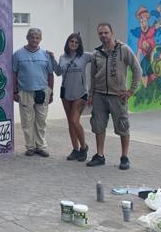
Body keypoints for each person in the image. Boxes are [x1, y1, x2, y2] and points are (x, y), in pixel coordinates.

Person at [86, 23, 142, 170]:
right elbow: (92, 75)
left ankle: (124, 157)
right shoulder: (96, 53)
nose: (103, 35)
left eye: (106, 32)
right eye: (100, 33)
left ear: (112, 33)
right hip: (99, 96)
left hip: (118, 96)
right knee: (98, 126)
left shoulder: (123, 49)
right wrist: (91, 94)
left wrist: (131, 90)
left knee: (123, 126)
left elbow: (137, 69)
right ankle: (99, 155)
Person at [49, 33, 92, 162]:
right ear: (68, 43)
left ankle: (84, 147)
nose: (73, 44)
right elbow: (57, 72)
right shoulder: (63, 57)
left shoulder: (85, 56)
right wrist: (52, 59)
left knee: (74, 120)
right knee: (70, 122)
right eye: (71, 41)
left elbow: (99, 56)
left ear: (79, 45)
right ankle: (75, 149)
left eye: (76, 42)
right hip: (66, 93)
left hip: (80, 93)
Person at [13, 28, 54, 157]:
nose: (34, 40)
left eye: (37, 37)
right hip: (25, 92)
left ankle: (40, 146)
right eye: (32, 37)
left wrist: (51, 92)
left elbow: (50, 74)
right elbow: (14, 73)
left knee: (41, 121)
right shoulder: (18, 54)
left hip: (42, 91)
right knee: (27, 120)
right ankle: (30, 147)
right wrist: (15, 91)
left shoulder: (45, 55)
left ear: (40, 39)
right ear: (27, 38)